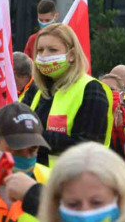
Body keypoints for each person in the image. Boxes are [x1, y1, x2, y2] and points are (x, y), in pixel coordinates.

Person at [25, 23, 112, 164]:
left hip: (70, 181)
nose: (44, 55)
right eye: (40, 50)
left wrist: (34, 137)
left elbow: (88, 146)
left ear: (71, 55)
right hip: (32, 178)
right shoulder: (35, 89)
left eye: (52, 50)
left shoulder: (91, 89)